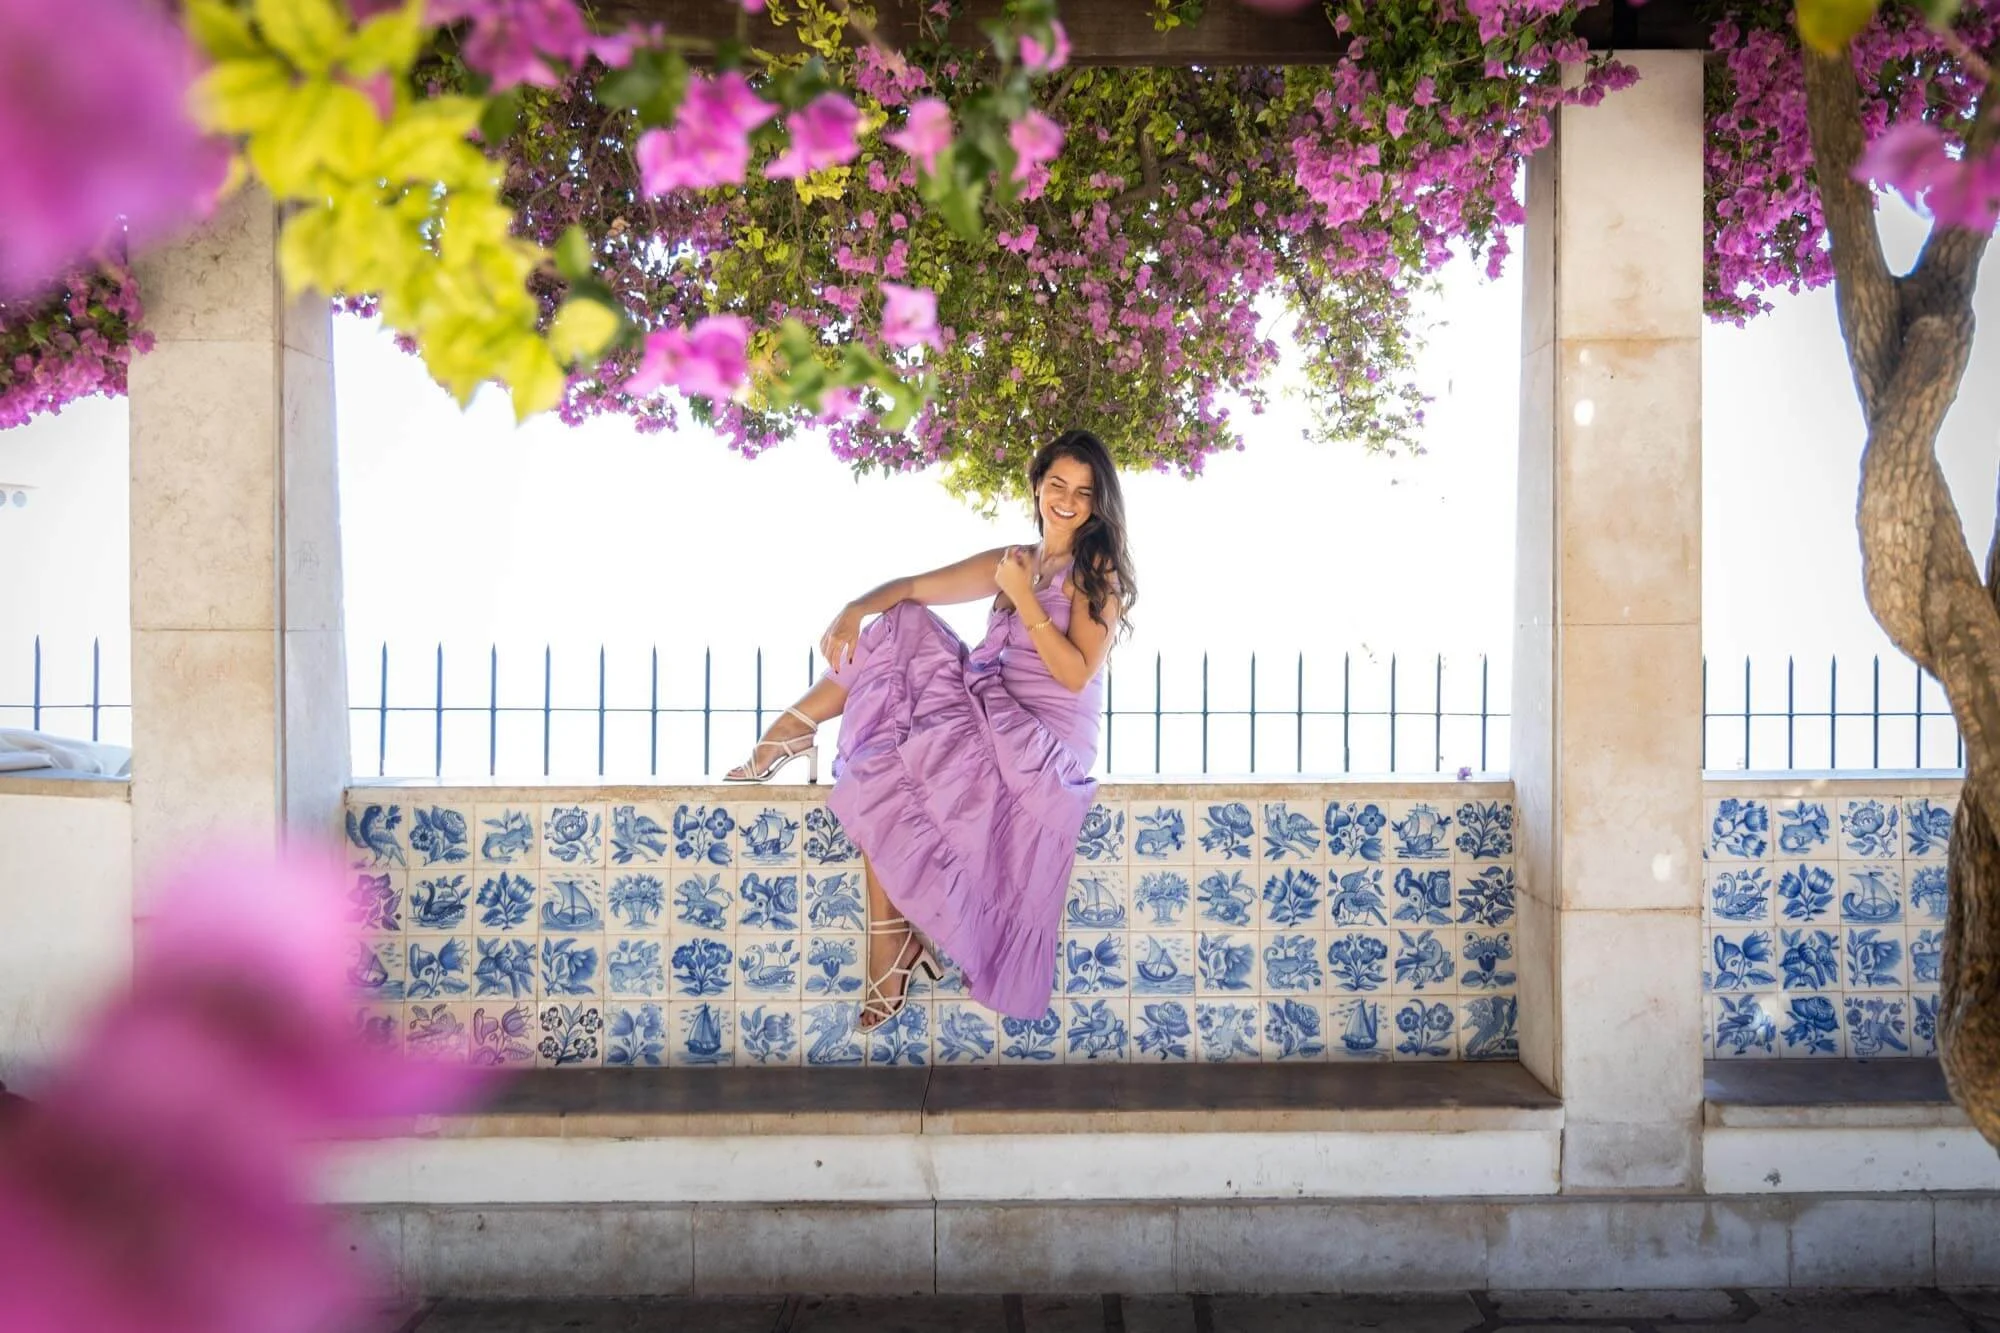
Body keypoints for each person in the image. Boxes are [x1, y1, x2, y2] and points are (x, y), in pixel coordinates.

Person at [725, 429, 1137, 1027]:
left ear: (1098, 501)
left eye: (1083, 490)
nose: (1067, 500)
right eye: (1056, 485)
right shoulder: (1014, 561)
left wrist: (1022, 598)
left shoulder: (1095, 571)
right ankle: (791, 730)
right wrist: (854, 608)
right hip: (989, 713)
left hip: (1040, 747)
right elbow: (914, 590)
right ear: (1037, 485)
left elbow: (1075, 674)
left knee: (898, 756)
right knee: (901, 642)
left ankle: (892, 945)